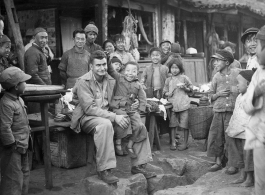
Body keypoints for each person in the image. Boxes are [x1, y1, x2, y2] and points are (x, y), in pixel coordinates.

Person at [70, 50, 155, 184]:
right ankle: (104, 169)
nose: (102, 68)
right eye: (98, 65)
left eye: (104, 64)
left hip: (109, 113)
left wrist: (134, 102)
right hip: (87, 117)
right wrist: (114, 117)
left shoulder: (110, 79)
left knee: (139, 125)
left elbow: (125, 91)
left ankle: (139, 165)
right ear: (91, 66)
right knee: (105, 125)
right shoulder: (83, 82)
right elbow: (89, 109)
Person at [207, 49, 240, 172]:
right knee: (217, 135)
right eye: (214, 61)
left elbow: (250, 75)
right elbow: (210, 95)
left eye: (217, 61)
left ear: (226, 62)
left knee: (231, 137)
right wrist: (218, 94)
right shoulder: (216, 76)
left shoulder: (237, 73)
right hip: (218, 111)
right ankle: (218, 161)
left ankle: (233, 163)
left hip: (232, 112)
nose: (215, 63)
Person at [0, 67, 32, 195]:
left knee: (24, 174)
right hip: (13, 148)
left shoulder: (19, 99)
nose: (26, 84)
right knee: (13, 179)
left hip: (23, 144)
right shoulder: (6, 103)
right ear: (16, 86)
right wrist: (12, 145)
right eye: (23, 82)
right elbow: (4, 127)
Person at [107, 60, 148, 158]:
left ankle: (129, 145)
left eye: (133, 71)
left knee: (139, 125)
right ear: (123, 71)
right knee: (124, 120)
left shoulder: (138, 84)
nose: (130, 73)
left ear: (137, 73)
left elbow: (143, 98)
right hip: (118, 107)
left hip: (131, 109)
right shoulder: (118, 78)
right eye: (128, 70)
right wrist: (108, 59)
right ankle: (118, 143)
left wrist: (140, 109)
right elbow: (111, 71)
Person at [243, 25, 265, 195]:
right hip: (260, 138)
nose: (255, 50)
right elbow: (247, 106)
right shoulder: (258, 74)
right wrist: (256, 93)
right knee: (261, 183)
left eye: (256, 45)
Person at [225, 70, 254, 186]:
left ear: (248, 84)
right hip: (236, 130)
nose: (236, 85)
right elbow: (236, 113)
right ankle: (242, 175)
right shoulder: (239, 97)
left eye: (238, 82)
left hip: (247, 131)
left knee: (248, 156)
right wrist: (231, 126)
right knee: (238, 155)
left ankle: (250, 178)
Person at [163, 58, 193, 151]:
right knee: (172, 125)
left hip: (184, 104)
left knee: (185, 125)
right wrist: (168, 94)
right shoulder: (168, 80)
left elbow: (191, 89)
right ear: (170, 69)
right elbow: (164, 91)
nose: (174, 70)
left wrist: (185, 88)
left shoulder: (184, 78)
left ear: (180, 69)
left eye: (176, 68)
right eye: (172, 68)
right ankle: (173, 142)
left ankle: (185, 143)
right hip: (173, 106)